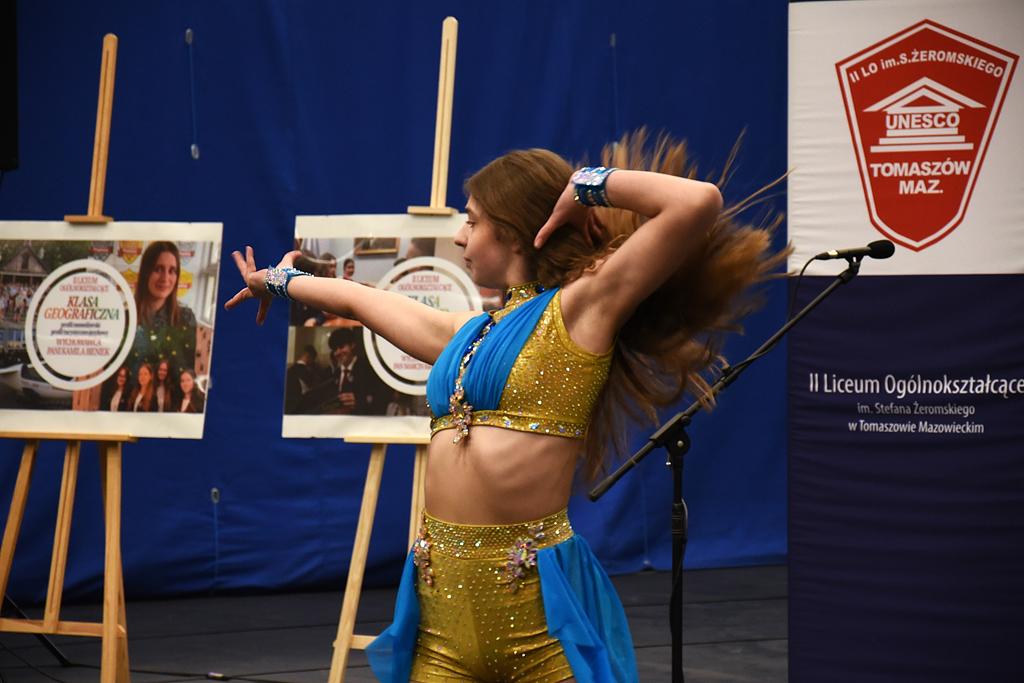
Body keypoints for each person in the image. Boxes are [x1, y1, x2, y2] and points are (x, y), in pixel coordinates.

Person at [226, 132, 781, 682]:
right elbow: (359, 300)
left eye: (472, 220)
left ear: (514, 231)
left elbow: (697, 202)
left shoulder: (581, 311)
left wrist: (583, 186)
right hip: (440, 615)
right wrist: (279, 282)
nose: (460, 235)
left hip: (537, 621)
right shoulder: (467, 334)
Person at [130, 241, 197, 374]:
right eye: (158, 269)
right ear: (146, 273)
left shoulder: (186, 318)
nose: (165, 278)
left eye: (172, 271)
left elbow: (188, 374)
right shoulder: (125, 317)